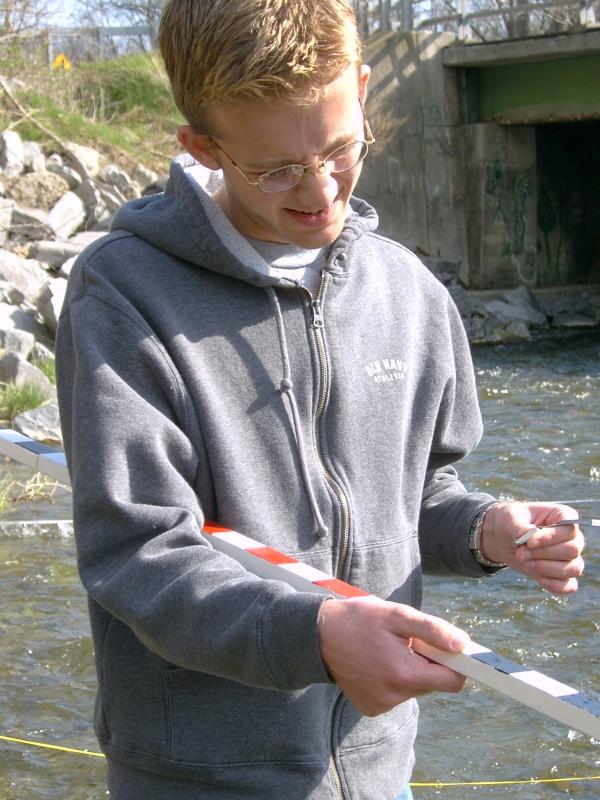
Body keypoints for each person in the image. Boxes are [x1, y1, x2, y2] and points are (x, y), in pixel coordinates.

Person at [55, 1, 585, 798]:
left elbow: (420, 494)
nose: (318, 190)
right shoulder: (124, 295)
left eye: (342, 147)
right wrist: (317, 636)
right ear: (201, 145)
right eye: (273, 169)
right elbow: (137, 554)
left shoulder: (409, 292)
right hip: (198, 778)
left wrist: (485, 531)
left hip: (379, 773)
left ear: (365, 92)